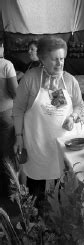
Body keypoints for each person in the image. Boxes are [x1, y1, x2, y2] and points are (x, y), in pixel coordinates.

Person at [12, 36, 84, 203]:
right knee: (36, 191)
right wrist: (19, 137)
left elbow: (80, 106)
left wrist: (73, 117)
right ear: (43, 59)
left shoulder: (69, 80)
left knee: (63, 191)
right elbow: (18, 109)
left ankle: (59, 226)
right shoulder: (30, 78)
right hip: (37, 144)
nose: (60, 63)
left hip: (63, 147)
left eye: (62, 59)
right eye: (54, 59)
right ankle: (35, 225)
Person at [0, 41, 18, 197]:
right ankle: (10, 189)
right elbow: (14, 92)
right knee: (7, 151)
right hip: (5, 113)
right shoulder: (6, 65)